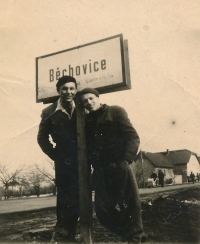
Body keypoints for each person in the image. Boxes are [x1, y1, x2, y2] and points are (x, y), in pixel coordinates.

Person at [79, 88, 147, 244]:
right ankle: (133, 235)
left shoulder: (115, 111)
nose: (88, 103)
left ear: (97, 97)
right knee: (102, 211)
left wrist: (127, 160)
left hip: (120, 165)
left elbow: (132, 136)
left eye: (91, 98)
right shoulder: (86, 121)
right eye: (85, 101)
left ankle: (136, 238)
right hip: (100, 171)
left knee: (130, 204)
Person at [37, 76, 79, 241]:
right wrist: (55, 154)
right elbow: (42, 137)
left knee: (80, 192)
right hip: (63, 159)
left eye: (71, 88)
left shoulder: (82, 106)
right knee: (64, 193)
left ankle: (75, 227)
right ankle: (62, 229)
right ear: (58, 91)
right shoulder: (49, 112)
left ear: (75, 90)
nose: (68, 92)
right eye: (64, 89)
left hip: (83, 156)